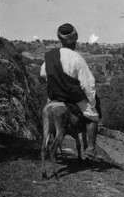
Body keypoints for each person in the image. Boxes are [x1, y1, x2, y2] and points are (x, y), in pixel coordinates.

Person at [40, 23, 101, 160]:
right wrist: (92, 102)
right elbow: (88, 84)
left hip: (55, 97)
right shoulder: (78, 58)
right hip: (73, 98)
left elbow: (43, 74)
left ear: (59, 39)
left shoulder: (51, 57)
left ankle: (49, 138)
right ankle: (90, 147)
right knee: (93, 116)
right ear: (75, 39)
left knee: (47, 111)